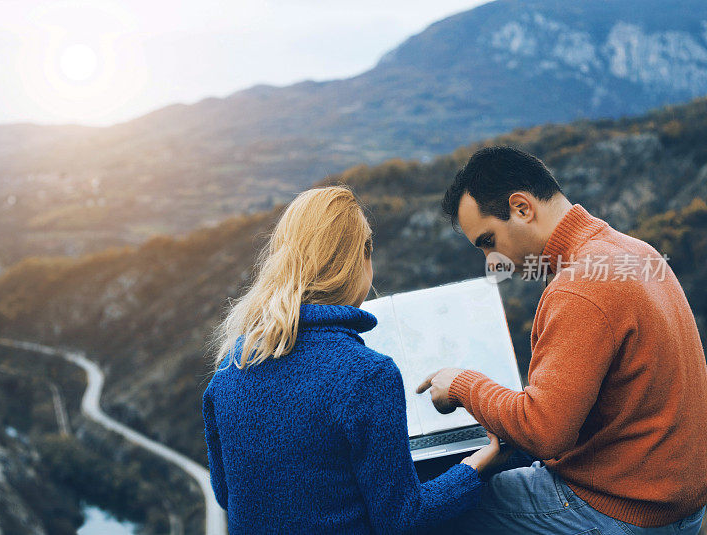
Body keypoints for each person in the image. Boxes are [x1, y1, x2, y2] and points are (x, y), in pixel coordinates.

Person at [417, 146, 707, 534]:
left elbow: (543, 432)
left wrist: (461, 384)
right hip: (677, 505)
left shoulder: (579, 287)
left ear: (522, 208)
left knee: (439, 505)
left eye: (488, 241)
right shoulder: (635, 252)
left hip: (621, 509)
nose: (491, 261)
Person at [202, 185, 507, 534]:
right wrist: (475, 467)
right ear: (361, 260)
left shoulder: (229, 368)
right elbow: (403, 519)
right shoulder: (366, 374)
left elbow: (228, 496)